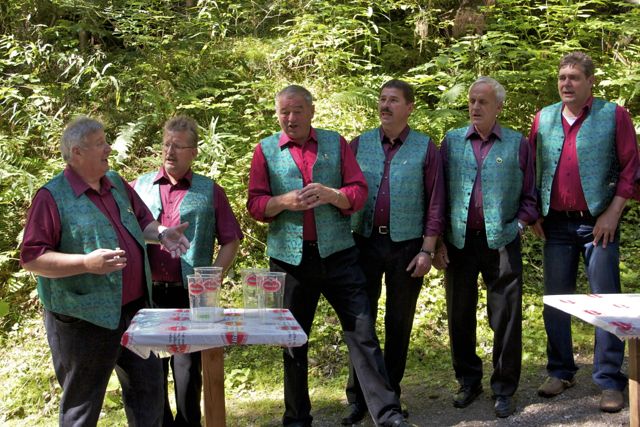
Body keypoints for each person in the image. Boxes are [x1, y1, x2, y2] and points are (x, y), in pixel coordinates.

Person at [247, 85, 409, 427]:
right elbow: (256, 204)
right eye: (284, 112)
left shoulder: (336, 143)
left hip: (339, 256)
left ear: (311, 111)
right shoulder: (265, 150)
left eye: (297, 111)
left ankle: (387, 414)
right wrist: (284, 202)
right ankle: (296, 419)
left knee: (363, 333)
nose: (291, 118)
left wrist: (333, 195)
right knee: (292, 341)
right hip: (290, 261)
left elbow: (358, 192)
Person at [20, 116, 191, 427]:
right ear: (76, 153)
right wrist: (85, 263)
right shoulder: (52, 196)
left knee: (149, 396)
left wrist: (163, 233)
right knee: (82, 407)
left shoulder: (115, 183)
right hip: (83, 320)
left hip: (136, 312)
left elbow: (143, 222)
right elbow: (33, 259)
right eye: (100, 143)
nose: (109, 148)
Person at [529, 51, 640, 413]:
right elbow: (531, 168)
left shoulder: (613, 115)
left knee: (606, 302)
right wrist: (533, 212)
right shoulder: (544, 118)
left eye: (574, 77)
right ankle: (561, 371)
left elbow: (631, 168)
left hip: (598, 223)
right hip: (555, 223)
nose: (567, 83)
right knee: (555, 300)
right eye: (562, 77)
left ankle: (609, 380)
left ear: (590, 81)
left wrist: (612, 214)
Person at [343, 79, 445, 424]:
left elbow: (435, 202)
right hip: (364, 243)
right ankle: (358, 398)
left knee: (399, 322)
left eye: (393, 100)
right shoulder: (358, 144)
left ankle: (391, 395)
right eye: (382, 99)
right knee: (361, 322)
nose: (385, 106)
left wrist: (428, 249)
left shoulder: (425, 148)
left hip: (408, 246)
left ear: (409, 107)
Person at [436, 77, 537, 418]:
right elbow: (438, 194)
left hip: (503, 241)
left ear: (499, 107)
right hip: (459, 242)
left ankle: (504, 387)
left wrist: (518, 225)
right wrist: (437, 241)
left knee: (505, 316)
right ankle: (468, 381)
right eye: (472, 101)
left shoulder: (517, 143)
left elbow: (530, 194)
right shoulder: (451, 142)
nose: (475, 107)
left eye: (483, 101)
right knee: (459, 314)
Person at [132, 116, 243, 426]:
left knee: (187, 372)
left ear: (193, 152)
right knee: (150, 372)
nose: (170, 152)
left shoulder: (209, 191)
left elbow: (231, 240)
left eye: (178, 146)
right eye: (166, 144)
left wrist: (212, 279)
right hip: (148, 293)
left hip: (191, 294)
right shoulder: (137, 187)